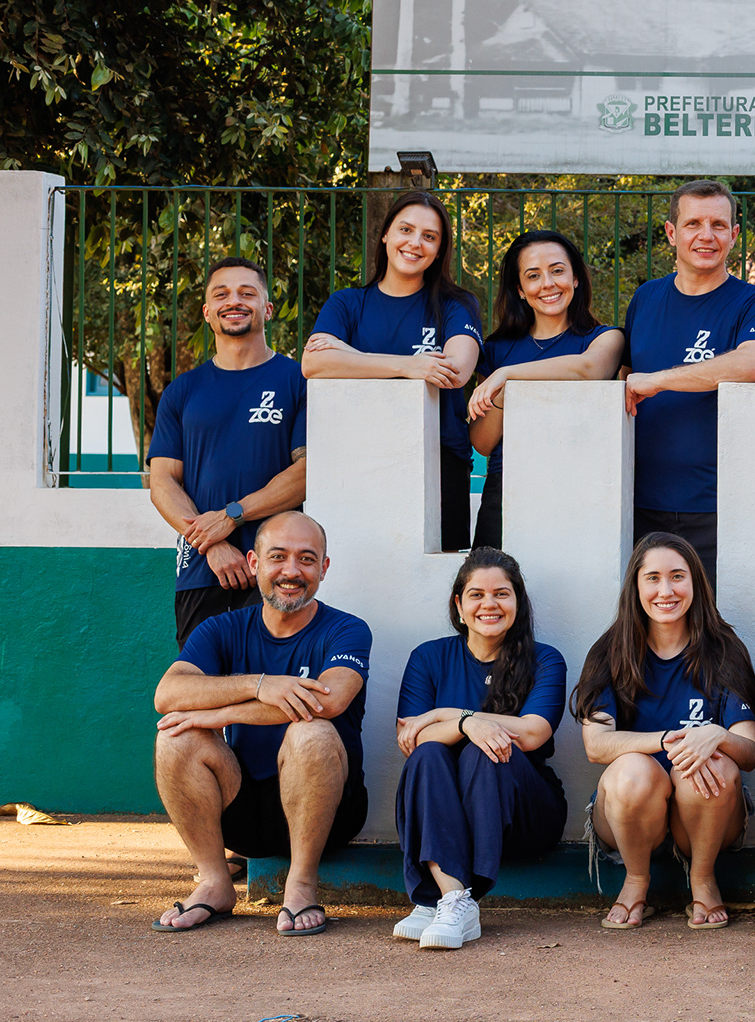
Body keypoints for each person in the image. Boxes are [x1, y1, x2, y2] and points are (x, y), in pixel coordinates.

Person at [150, 511, 369, 936]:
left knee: (311, 731)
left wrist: (223, 712)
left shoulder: (347, 629)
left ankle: (302, 884)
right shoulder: (221, 628)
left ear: (323, 569)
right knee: (177, 738)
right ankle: (214, 882)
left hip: (328, 813)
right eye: (278, 557)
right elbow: (168, 695)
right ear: (253, 563)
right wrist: (259, 685)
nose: (292, 571)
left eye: (307, 559)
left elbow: (329, 700)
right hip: (243, 811)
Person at [573, 533, 755, 931]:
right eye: (653, 578)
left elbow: (748, 751)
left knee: (708, 763)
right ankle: (636, 880)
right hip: (628, 817)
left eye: (677, 577)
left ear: (695, 583)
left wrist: (717, 734)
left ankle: (703, 878)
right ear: (636, 587)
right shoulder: (610, 651)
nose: (666, 590)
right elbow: (596, 745)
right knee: (633, 770)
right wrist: (667, 739)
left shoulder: (724, 650)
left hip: (707, 818)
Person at [391, 547, 569, 950]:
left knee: (486, 750)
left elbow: (533, 733)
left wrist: (450, 714)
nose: (489, 604)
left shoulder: (545, 660)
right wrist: (468, 724)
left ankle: (442, 898)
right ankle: (450, 898)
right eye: (476, 594)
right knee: (429, 756)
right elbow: (413, 740)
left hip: (525, 816)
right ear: (459, 604)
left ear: (518, 602)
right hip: (450, 807)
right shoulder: (429, 657)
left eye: (502, 594)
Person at [303, 191, 484, 551]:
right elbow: (314, 363)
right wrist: (409, 364)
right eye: (406, 229)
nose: (415, 243)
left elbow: (456, 371)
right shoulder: (347, 302)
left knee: (440, 581)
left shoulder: (456, 304)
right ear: (386, 234)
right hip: (358, 458)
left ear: (439, 249)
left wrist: (350, 355)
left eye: (429, 236)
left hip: (439, 459)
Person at [622, 181, 755, 583]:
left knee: (712, 631)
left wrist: (659, 380)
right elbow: (623, 376)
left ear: (734, 235)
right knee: (645, 629)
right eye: (693, 223)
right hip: (638, 501)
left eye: (718, 225)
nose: (706, 236)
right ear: (672, 233)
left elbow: (752, 364)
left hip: (719, 506)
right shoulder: (645, 298)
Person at [149, 257, 310, 647]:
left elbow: (307, 473)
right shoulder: (181, 392)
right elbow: (162, 483)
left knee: (266, 684)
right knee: (200, 687)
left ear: (267, 309)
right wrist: (213, 541)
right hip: (201, 568)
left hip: (277, 565)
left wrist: (231, 517)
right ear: (207, 312)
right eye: (221, 294)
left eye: (247, 293)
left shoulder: (298, 380)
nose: (233, 301)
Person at [465, 231, 624, 548]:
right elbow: (482, 443)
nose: (548, 284)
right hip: (505, 490)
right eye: (533, 276)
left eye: (557, 270)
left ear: (575, 278)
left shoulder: (606, 339)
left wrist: (507, 376)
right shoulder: (497, 349)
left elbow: (589, 370)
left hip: (581, 489)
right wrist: (504, 394)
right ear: (521, 290)